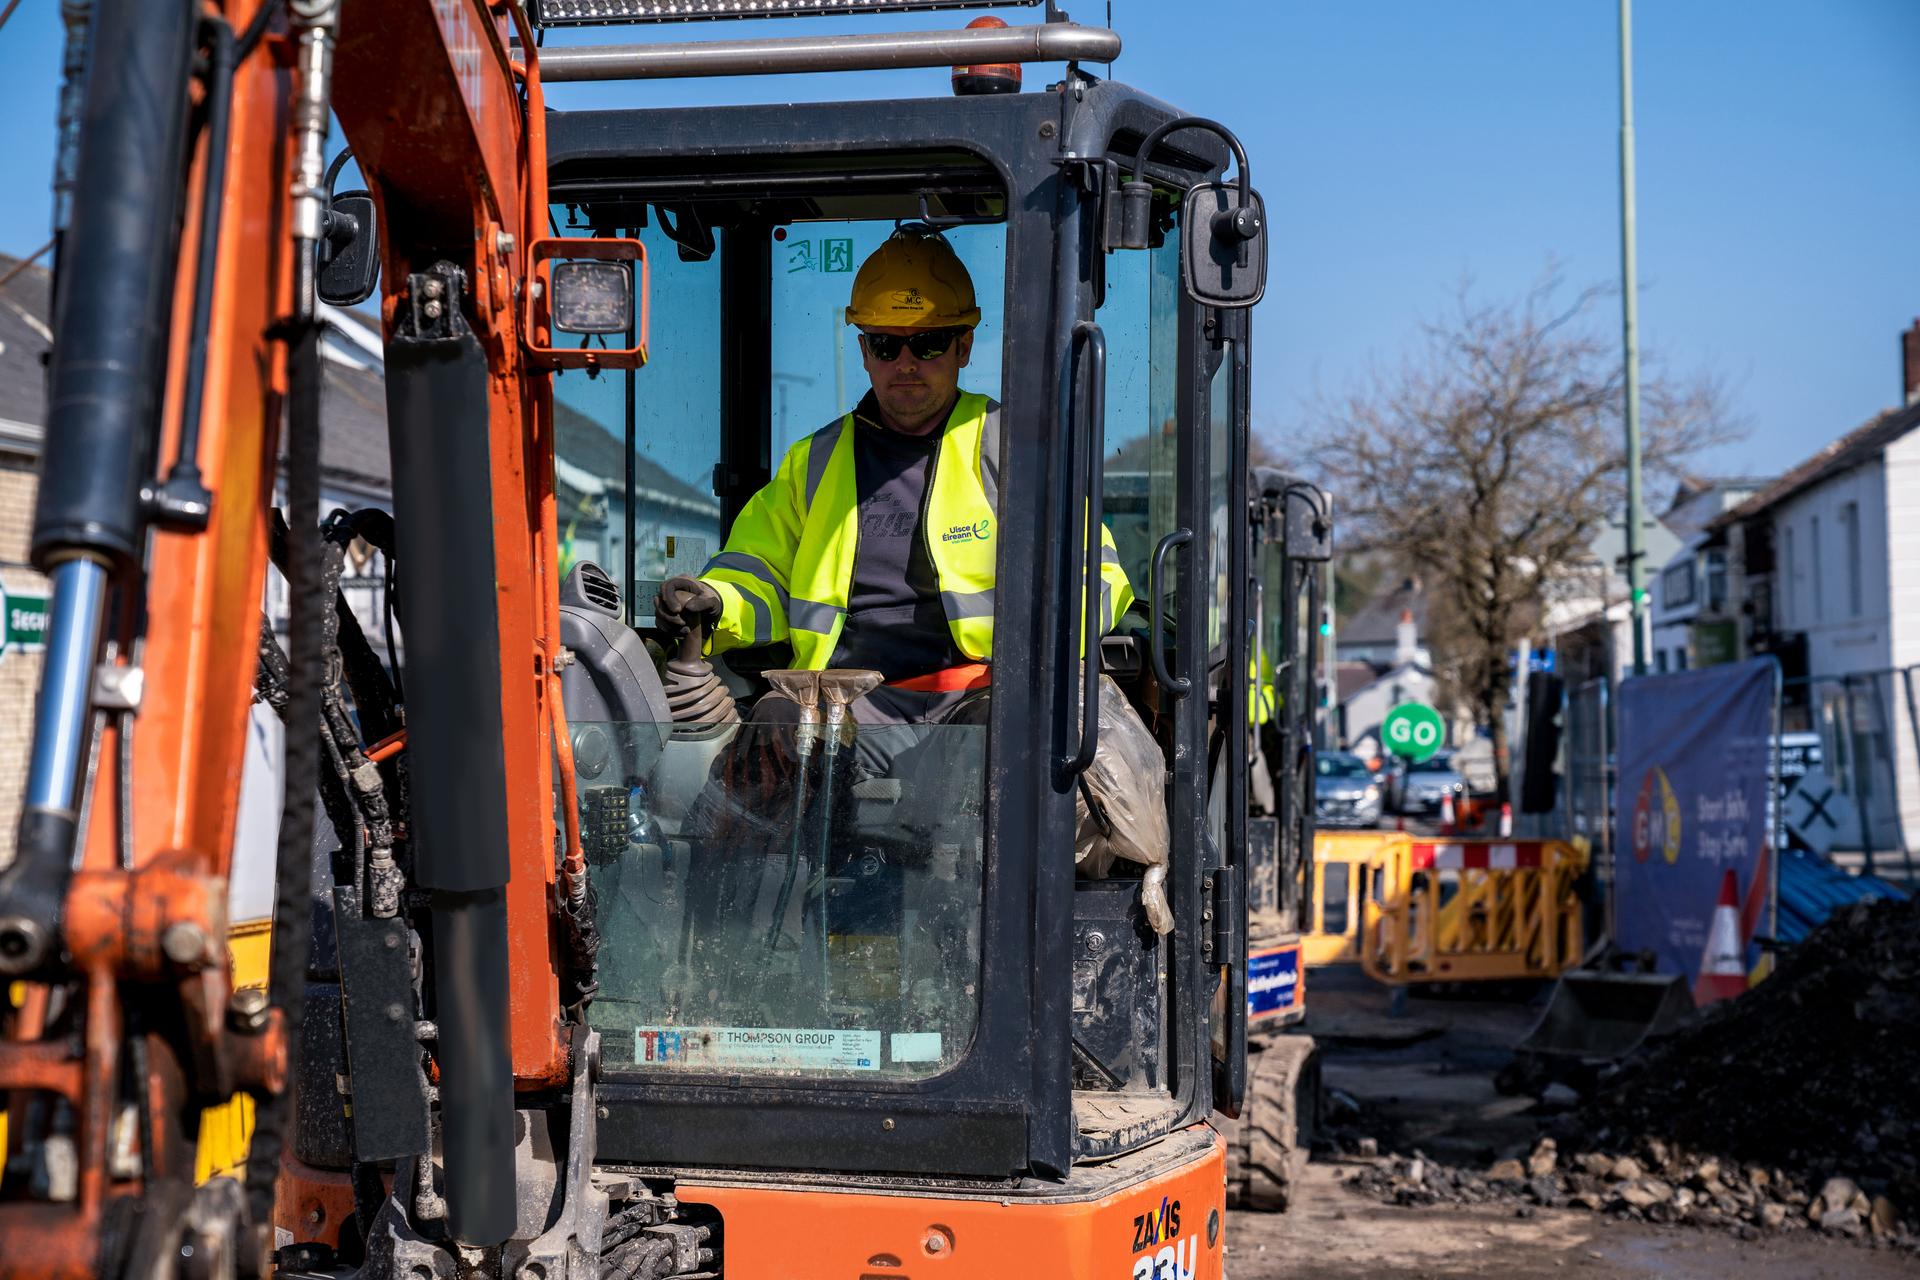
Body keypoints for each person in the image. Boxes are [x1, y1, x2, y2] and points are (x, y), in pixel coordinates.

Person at [656, 226, 1134, 729]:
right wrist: (715, 603)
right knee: (770, 731)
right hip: (840, 704)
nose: (906, 363)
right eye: (886, 345)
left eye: (927, 344)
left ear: (963, 347)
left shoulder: (1013, 450)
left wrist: (1042, 645)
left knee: (1003, 743)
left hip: (976, 699)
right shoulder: (813, 462)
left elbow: (1096, 575)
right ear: (864, 351)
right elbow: (760, 572)